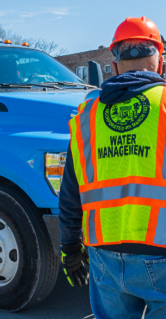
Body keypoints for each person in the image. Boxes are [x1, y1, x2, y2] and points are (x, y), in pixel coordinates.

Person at [59, 17, 166, 318]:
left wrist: (69, 251)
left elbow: (70, 194)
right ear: (159, 62)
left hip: (104, 255)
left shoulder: (86, 117)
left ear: (115, 64)